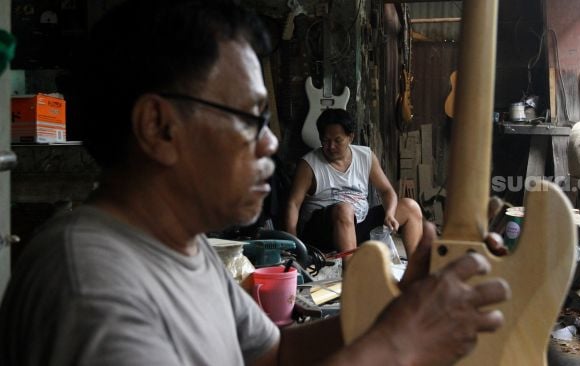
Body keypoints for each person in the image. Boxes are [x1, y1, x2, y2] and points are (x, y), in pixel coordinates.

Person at [0, 1, 510, 365]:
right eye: (250, 118)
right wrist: (403, 345)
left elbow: (279, 354)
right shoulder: (90, 286)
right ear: (159, 127)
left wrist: (398, 306)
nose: (270, 143)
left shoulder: (184, 249)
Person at [285, 108, 423, 257]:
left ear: (350, 137)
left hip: (358, 224)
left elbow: (387, 191)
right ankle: (352, 272)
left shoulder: (365, 156)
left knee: (411, 207)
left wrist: (389, 213)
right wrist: (295, 245)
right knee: (344, 209)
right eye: (325, 140)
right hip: (323, 232)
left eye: (338, 140)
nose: (331, 146)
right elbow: (293, 204)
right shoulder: (309, 164)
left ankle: (416, 270)